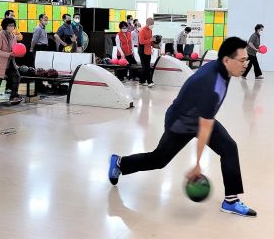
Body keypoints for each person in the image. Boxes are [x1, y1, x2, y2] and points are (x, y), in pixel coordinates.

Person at [108, 37, 257, 218]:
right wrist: (197, 165)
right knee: (159, 160)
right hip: (181, 121)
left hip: (200, 115)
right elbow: (205, 127)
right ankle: (119, 163)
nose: (245, 64)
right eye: (242, 60)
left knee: (229, 148)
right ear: (227, 60)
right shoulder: (212, 84)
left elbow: (205, 120)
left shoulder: (223, 71)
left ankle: (231, 201)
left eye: (246, 59)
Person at [0, 18, 22, 106]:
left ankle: (13, 96)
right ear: (5, 26)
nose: (12, 27)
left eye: (13, 25)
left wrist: (16, 53)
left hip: (10, 63)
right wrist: (9, 54)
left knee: (16, 77)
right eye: (10, 25)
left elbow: (14, 48)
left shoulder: (13, 36)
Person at [138, 18, 156, 87]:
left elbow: (150, 41)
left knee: (146, 67)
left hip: (148, 50)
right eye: (151, 24)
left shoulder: (150, 30)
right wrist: (150, 39)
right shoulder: (142, 30)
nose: (152, 25)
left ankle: (141, 80)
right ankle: (149, 81)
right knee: (146, 67)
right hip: (142, 50)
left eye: (153, 24)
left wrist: (155, 44)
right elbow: (141, 42)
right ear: (147, 23)